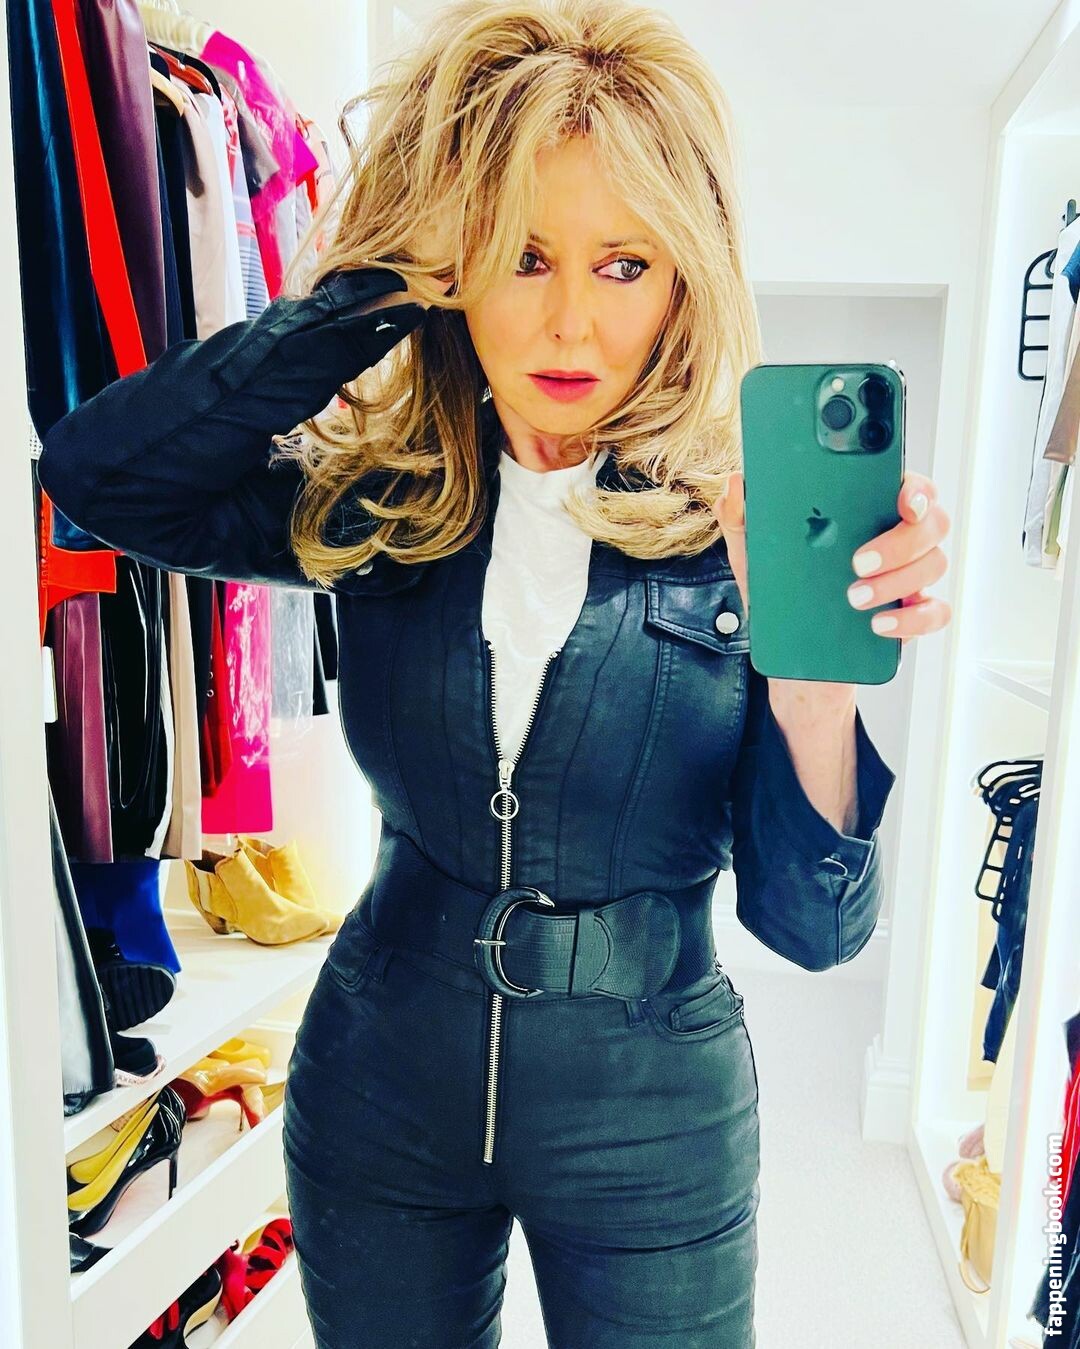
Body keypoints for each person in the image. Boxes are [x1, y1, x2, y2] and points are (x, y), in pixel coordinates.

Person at [37, 0, 951, 1343]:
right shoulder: (385, 508)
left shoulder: (737, 533)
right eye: (523, 254)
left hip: (654, 1115)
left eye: (625, 263)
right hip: (382, 1083)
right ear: (456, 262)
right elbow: (99, 478)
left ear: (684, 278)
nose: (570, 320)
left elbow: (817, 931)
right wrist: (367, 293)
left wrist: (813, 683)